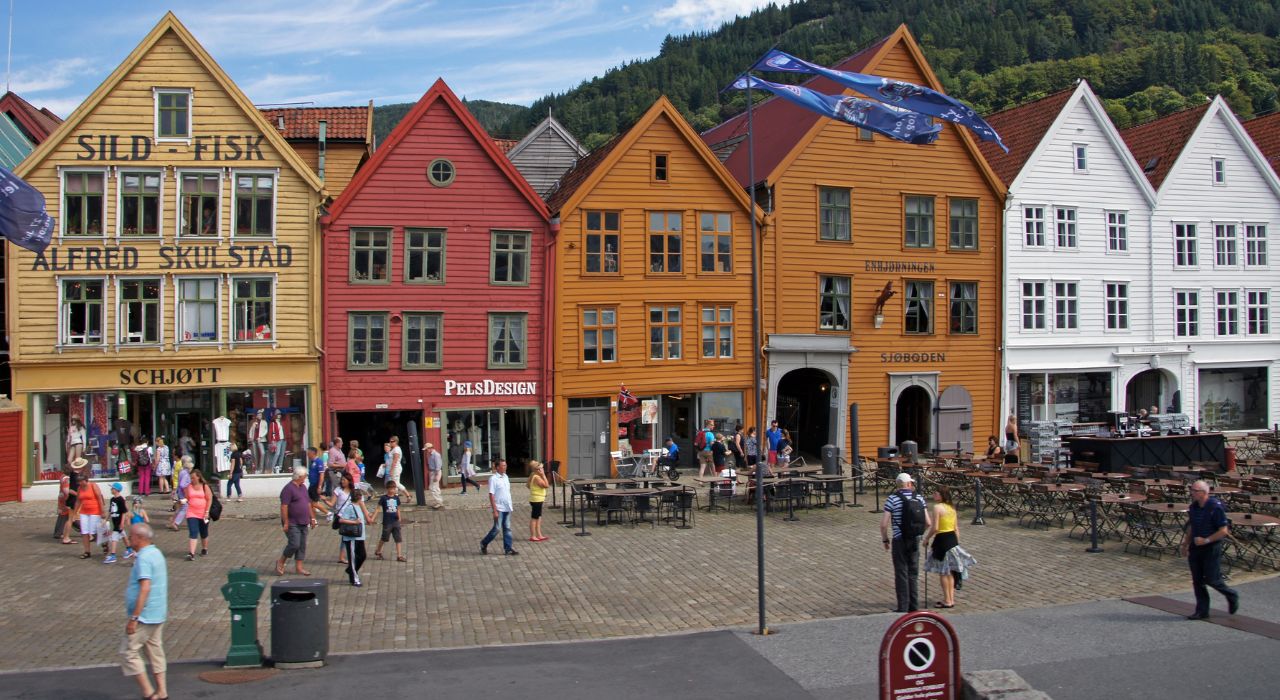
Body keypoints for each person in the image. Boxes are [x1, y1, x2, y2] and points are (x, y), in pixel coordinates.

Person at [121, 522, 167, 700]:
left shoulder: (144, 558)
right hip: (158, 612)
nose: (128, 538)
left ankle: (149, 693)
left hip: (144, 616)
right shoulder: (156, 553)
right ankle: (162, 691)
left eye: (131, 536)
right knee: (155, 652)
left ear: (140, 538)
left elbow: (145, 587)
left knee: (129, 652)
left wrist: (134, 618)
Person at [1181, 480, 1239, 620]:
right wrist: (1185, 544)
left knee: (1212, 579)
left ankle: (1231, 594)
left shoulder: (1215, 507)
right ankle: (1202, 610)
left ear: (1204, 492)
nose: (1192, 493)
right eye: (1191, 490)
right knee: (1197, 580)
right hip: (1196, 547)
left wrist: (1206, 540)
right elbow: (1192, 527)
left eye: (1195, 491)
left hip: (1211, 547)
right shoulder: (1193, 507)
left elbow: (1223, 531)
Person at [881, 472, 930, 613]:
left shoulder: (892, 499)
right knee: (913, 573)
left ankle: (902, 606)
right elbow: (928, 522)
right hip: (914, 539)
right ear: (908, 484)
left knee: (901, 572)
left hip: (899, 539)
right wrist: (919, 534)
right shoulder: (919, 498)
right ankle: (914, 606)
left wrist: (885, 539)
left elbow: (884, 524)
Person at [923, 485, 976, 609]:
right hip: (952, 540)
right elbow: (956, 528)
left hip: (942, 541)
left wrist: (927, 538)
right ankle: (951, 599)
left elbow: (935, 528)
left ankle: (947, 600)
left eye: (936, 493)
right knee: (950, 572)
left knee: (943, 573)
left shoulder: (937, 507)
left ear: (941, 495)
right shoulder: (952, 508)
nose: (934, 495)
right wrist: (956, 543)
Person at [276, 466, 315, 577]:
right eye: (305, 476)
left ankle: (299, 567)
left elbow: (308, 503)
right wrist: (286, 522)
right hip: (292, 522)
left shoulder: (303, 487)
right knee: (294, 544)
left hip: (304, 521)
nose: (306, 478)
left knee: (302, 545)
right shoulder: (288, 489)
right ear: (299, 477)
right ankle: (281, 561)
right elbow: (284, 506)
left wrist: (312, 518)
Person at [337, 488, 373, 587]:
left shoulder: (360, 506)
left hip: (360, 536)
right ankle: (354, 579)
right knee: (352, 559)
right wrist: (354, 522)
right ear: (359, 497)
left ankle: (350, 570)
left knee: (363, 556)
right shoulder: (350, 507)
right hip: (351, 538)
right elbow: (341, 520)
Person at [480, 459, 517, 555]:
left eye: (505, 465)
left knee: (507, 528)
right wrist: (495, 510)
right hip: (499, 507)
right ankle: (484, 543)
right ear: (497, 467)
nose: (505, 467)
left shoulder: (506, 477)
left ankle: (508, 548)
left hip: (507, 507)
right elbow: (491, 494)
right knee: (497, 529)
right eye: (503, 465)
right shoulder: (493, 479)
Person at [76, 471, 107, 560]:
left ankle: (104, 543)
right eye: (79, 481)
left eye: (81, 481)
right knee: (84, 532)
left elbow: (99, 498)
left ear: (86, 480)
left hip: (95, 511)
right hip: (84, 512)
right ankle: (87, 551)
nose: (80, 483)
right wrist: (75, 512)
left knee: (94, 531)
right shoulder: (79, 488)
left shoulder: (93, 485)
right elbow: (78, 501)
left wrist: (102, 511)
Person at [183, 468, 212, 561]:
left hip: (203, 513)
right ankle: (191, 553)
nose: (192, 480)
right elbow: (187, 498)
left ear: (198, 477)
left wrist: (207, 512)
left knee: (204, 532)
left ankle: (205, 548)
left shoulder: (204, 486)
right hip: (191, 512)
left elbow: (209, 499)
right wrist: (182, 501)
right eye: (190, 478)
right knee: (193, 532)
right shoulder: (189, 487)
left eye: (193, 478)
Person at [374, 481, 406, 562]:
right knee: (384, 538)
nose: (392, 490)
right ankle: (378, 550)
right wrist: (373, 517)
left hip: (395, 521)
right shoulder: (383, 498)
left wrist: (399, 517)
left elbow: (398, 508)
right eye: (390, 489)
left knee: (398, 538)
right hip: (387, 522)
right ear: (387, 489)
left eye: (393, 489)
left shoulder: (396, 498)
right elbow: (378, 509)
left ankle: (399, 555)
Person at [56, 462, 80, 544]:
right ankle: (83, 530)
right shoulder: (66, 479)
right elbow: (67, 490)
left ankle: (58, 533)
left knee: (64, 517)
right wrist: (77, 494)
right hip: (67, 500)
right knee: (69, 518)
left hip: (62, 498)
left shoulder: (62, 476)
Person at [105, 482, 129, 564]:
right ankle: (129, 549)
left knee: (114, 538)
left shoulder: (121, 499)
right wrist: (106, 519)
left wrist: (122, 522)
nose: (111, 489)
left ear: (116, 490)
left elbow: (124, 512)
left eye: (112, 488)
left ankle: (113, 555)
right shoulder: (112, 499)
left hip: (119, 521)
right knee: (123, 535)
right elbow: (110, 510)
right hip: (114, 521)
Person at [168, 456, 194, 531]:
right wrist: (186, 494)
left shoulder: (182, 471)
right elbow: (183, 485)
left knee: (180, 508)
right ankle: (175, 523)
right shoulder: (185, 473)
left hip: (181, 493)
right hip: (183, 494)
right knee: (184, 508)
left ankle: (172, 521)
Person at [528, 460, 549, 542]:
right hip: (536, 500)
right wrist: (543, 475)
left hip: (538, 499)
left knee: (538, 517)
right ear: (537, 470)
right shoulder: (537, 477)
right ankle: (533, 535)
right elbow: (546, 485)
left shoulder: (533, 475)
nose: (542, 470)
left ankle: (539, 534)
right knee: (534, 518)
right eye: (541, 468)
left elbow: (528, 485)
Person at [424, 442, 444, 509]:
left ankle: (439, 502)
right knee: (436, 487)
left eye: (426, 449)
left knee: (433, 488)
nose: (426, 451)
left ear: (430, 448)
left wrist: (436, 475)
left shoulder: (436, 455)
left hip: (435, 472)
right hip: (432, 472)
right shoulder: (431, 455)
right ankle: (439, 501)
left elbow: (438, 466)